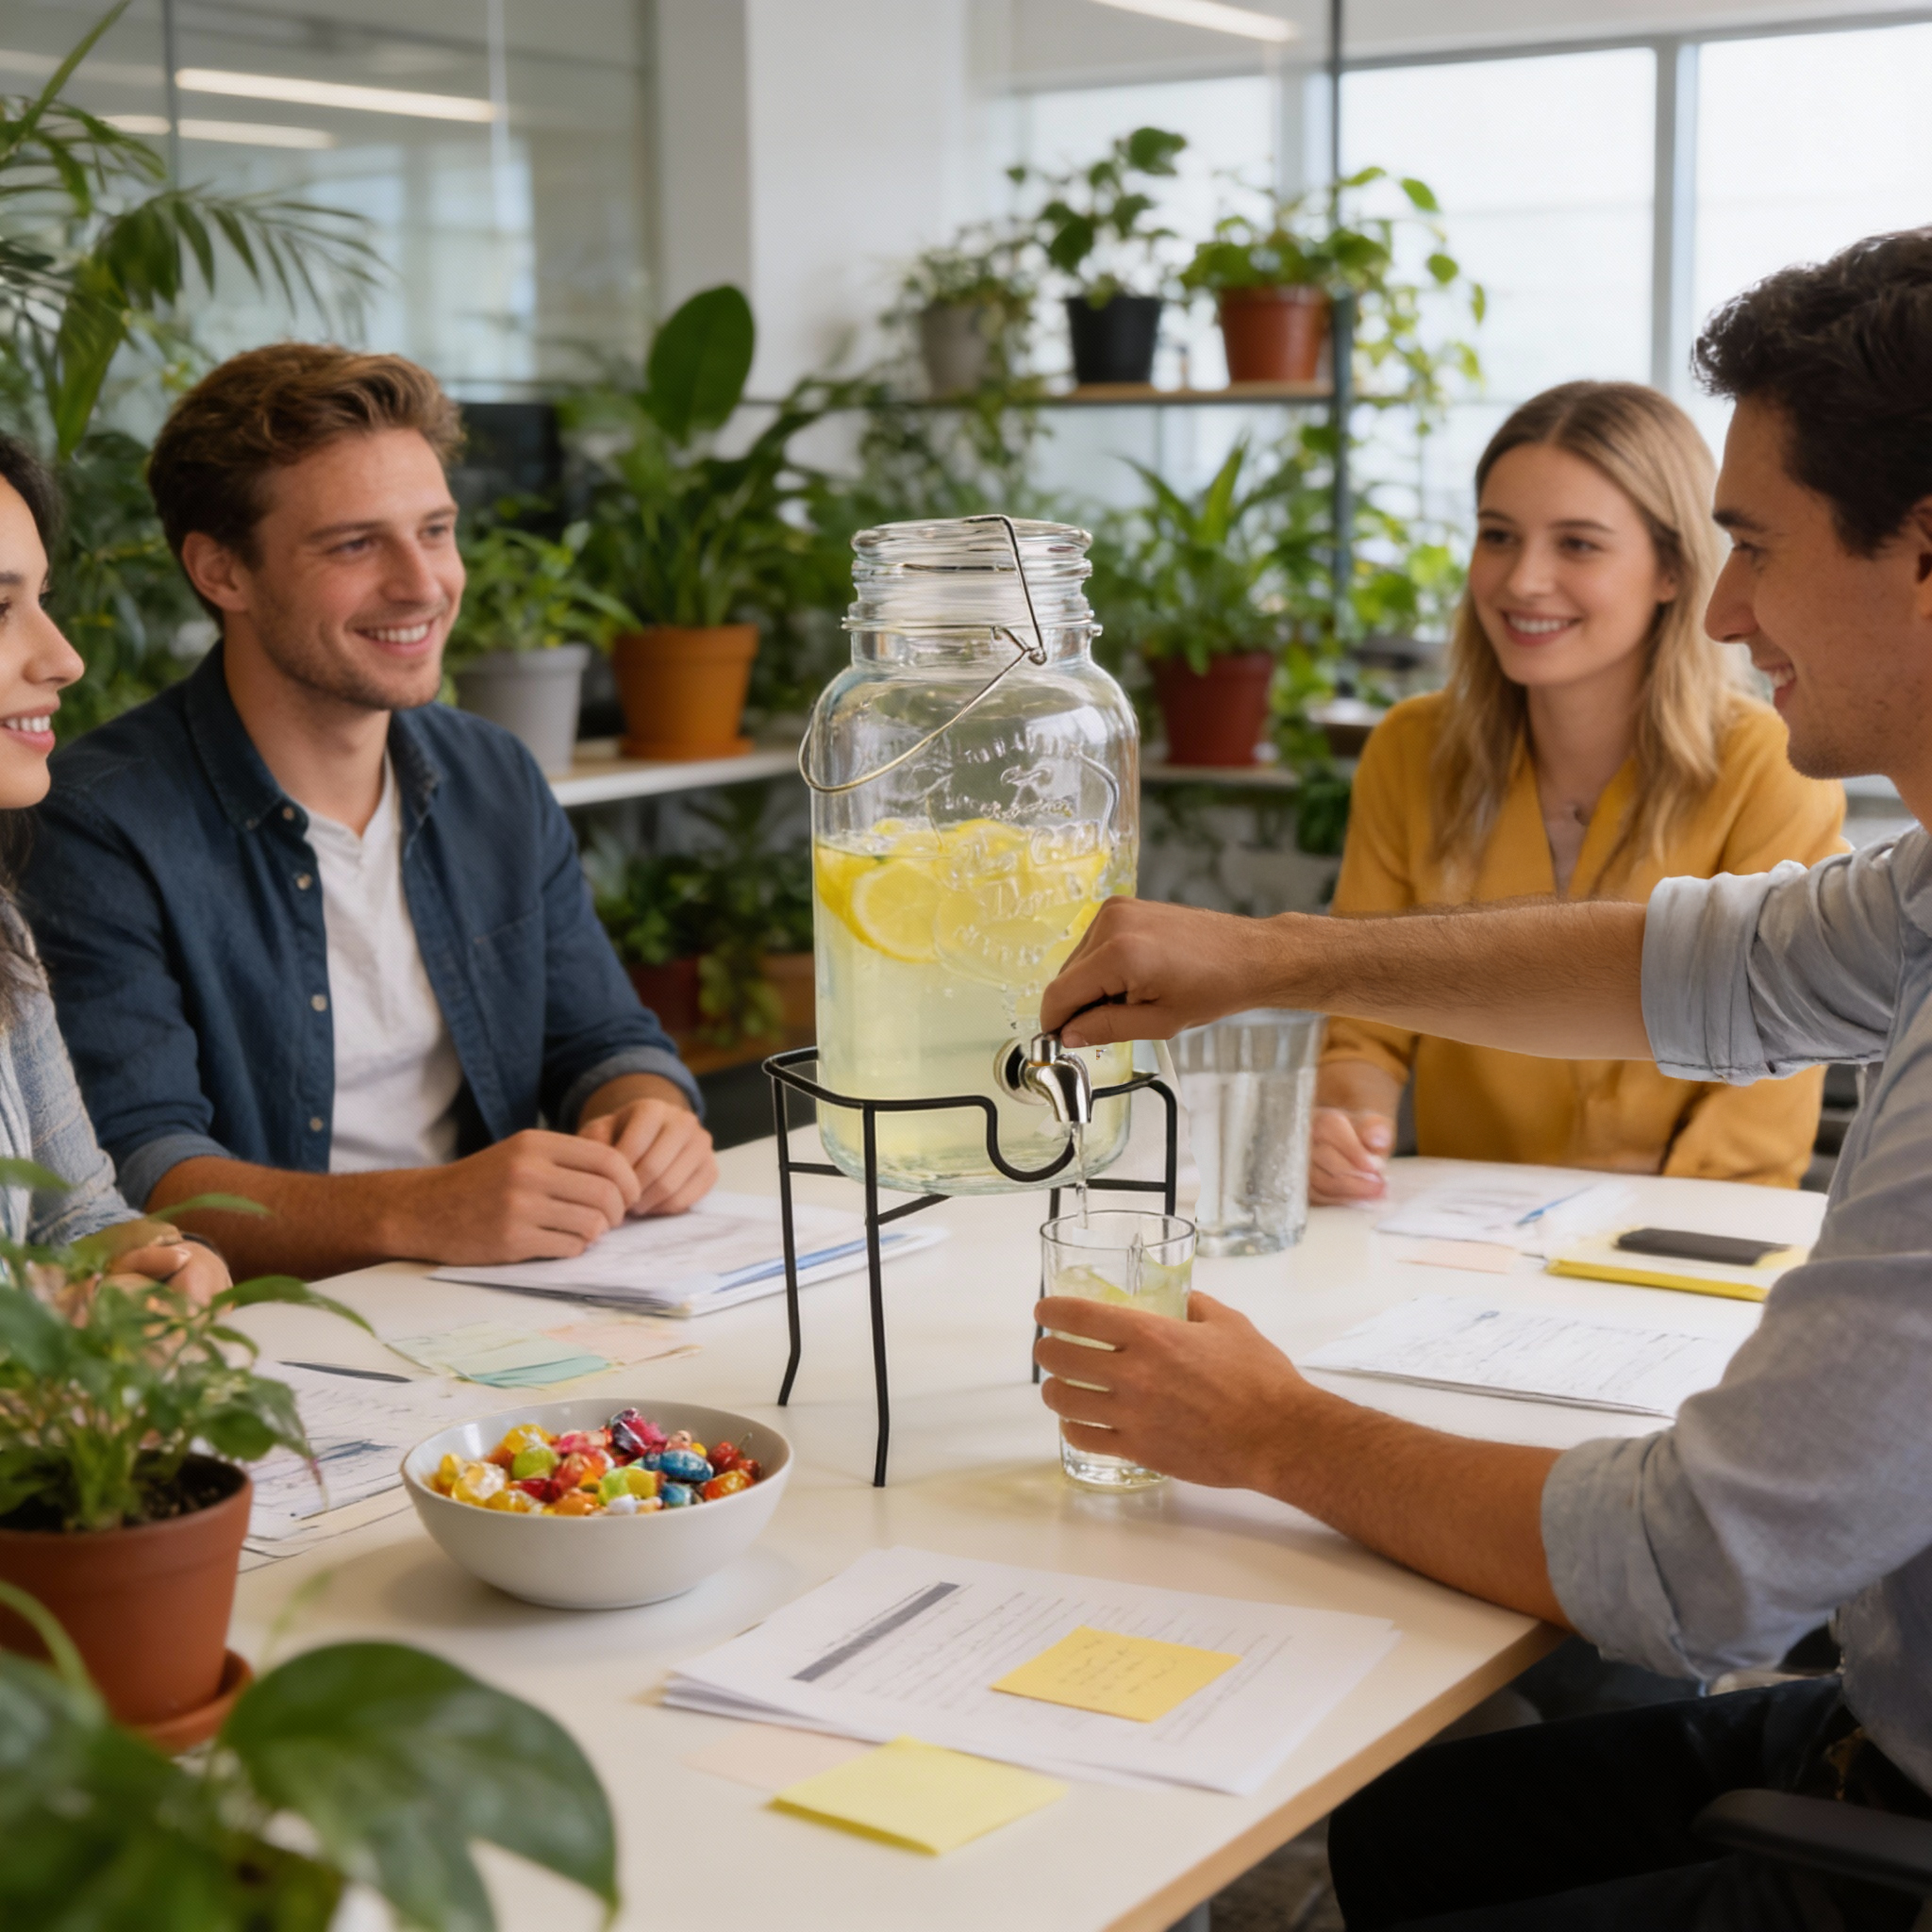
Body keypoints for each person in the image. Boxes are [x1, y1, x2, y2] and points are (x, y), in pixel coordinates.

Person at [1035, 228, 1932, 1929]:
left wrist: (1275, 1429)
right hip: (1870, 1719)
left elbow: (1700, 1568)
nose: (1729, 607)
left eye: (1749, 547)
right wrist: (1283, 957)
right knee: (1402, 1834)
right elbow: (1701, 964)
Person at [21, 345, 716, 1282]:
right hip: (269, 1332)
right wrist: (420, 1206)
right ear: (221, 572)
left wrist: (649, 1111)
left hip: (503, 1299)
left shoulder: (493, 775)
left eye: (434, 529)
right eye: (355, 544)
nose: (422, 583)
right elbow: (140, 1174)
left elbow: (602, 1041)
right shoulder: (94, 818)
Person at [1314, 381, 1842, 1206]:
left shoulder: (1770, 765)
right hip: (1454, 1245)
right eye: (1498, 536)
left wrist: (1622, 1232)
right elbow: (1363, 1025)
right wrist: (1349, 1131)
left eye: (1579, 545)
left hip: (1685, 1242)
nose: (1524, 580)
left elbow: (1761, 1106)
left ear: (1673, 568)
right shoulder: (1410, 750)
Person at [0, 433, 227, 1302]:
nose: (63, 658)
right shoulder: (109, 816)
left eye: (43, 600)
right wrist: (66, 1304)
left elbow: (78, 1216)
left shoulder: (0, 921)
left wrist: (166, 1260)